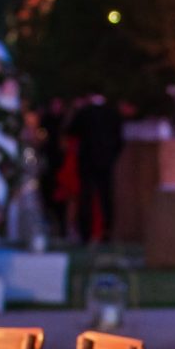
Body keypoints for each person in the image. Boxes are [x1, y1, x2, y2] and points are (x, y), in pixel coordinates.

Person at [68, 92, 122, 244]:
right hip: (105, 162)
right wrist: (111, 156)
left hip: (87, 162)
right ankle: (107, 232)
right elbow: (119, 140)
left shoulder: (84, 112)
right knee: (106, 196)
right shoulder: (112, 113)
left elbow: (71, 130)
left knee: (86, 197)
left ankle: (86, 233)